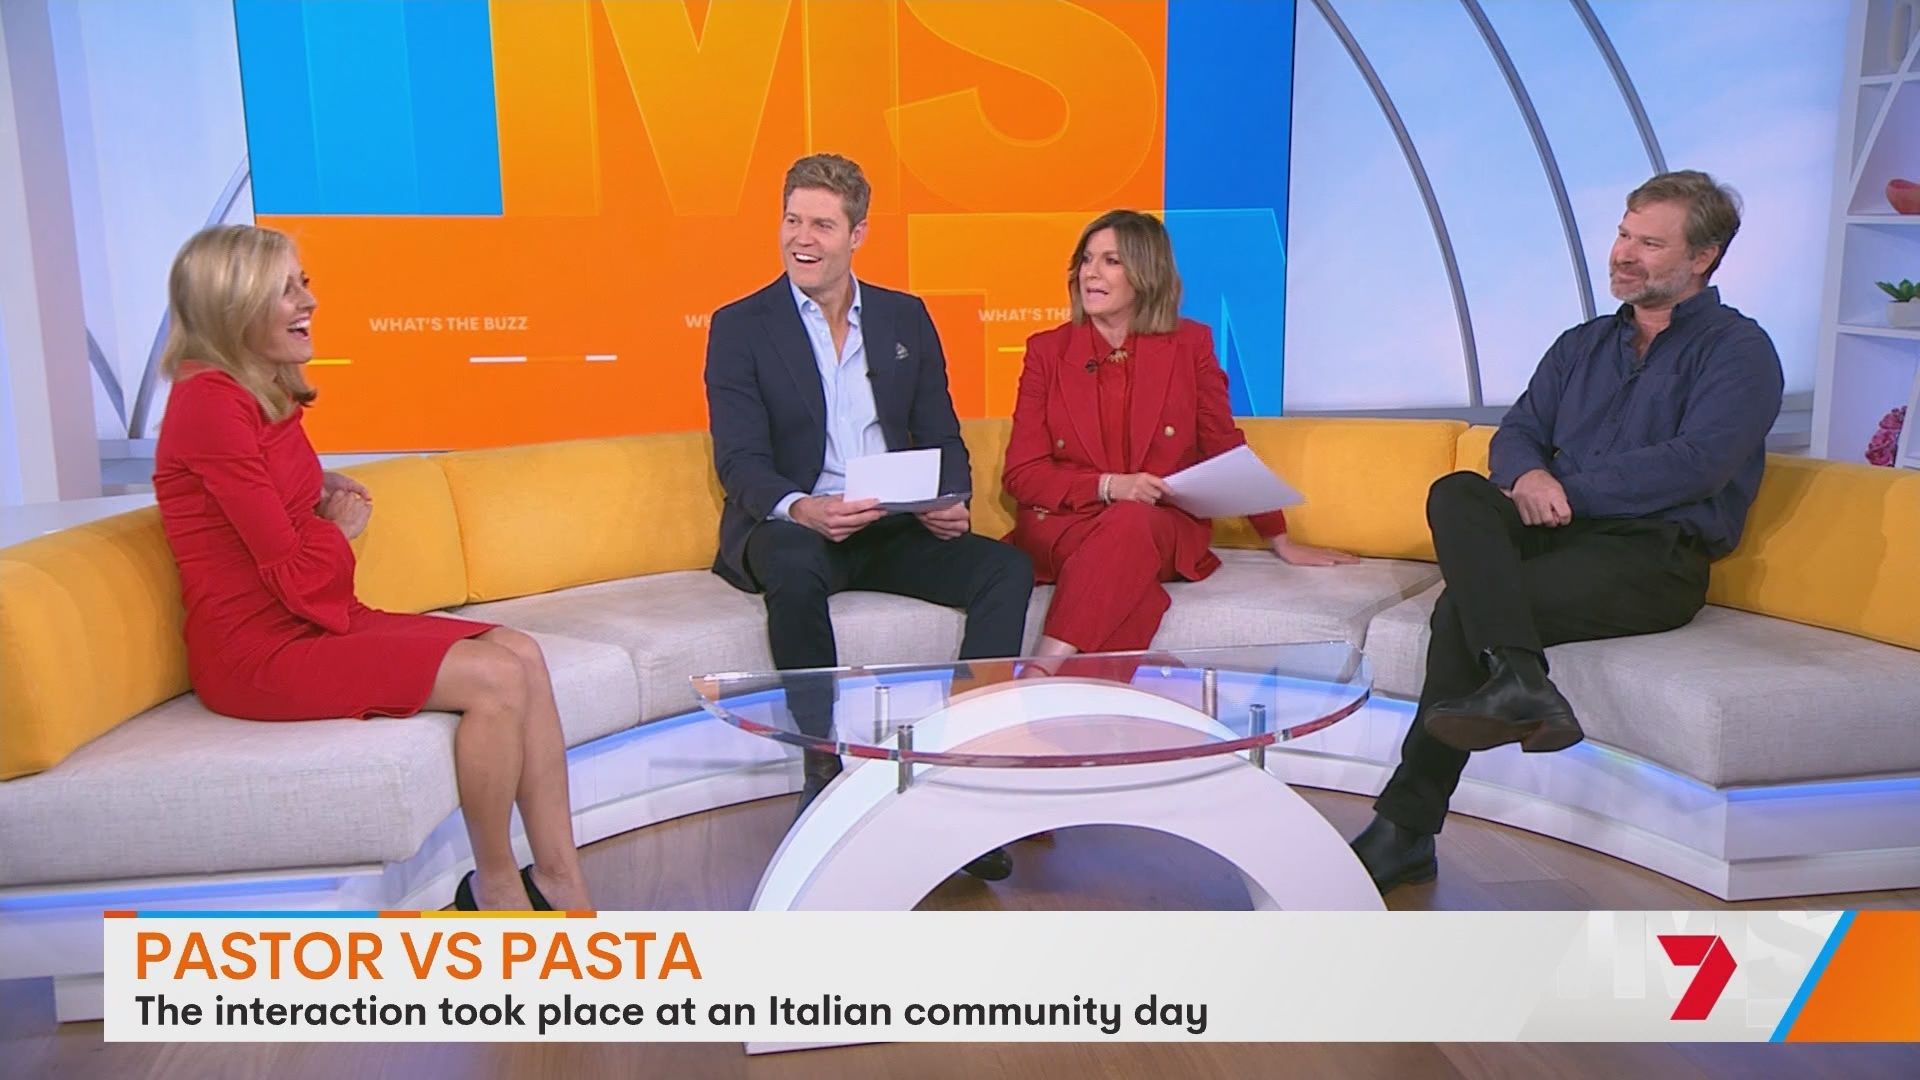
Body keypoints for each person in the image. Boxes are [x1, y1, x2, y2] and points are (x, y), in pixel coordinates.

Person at [1350, 171, 1785, 892]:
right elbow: (1518, 431)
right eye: (1623, 234)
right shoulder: (1581, 345)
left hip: (1652, 559)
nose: (1624, 254)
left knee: (1462, 609)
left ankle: (1405, 830)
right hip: (1554, 534)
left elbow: (1698, 463)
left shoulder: (1739, 351)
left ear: (1702, 258)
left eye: (1650, 244)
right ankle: (1521, 680)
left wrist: (1566, 492)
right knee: (1458, 492)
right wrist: (1527, 475)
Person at [151, 225, 591, 912]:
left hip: (305, 623)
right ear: (233, 307)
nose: (309, 302)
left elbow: (254, 502)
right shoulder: (211, 403)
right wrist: (340, 531)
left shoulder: (254, 387)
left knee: (523, 653)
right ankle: (498, 888)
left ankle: (564, 884)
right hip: (256, 651)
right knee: (497, 678)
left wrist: (312, 485)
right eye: (286, 290)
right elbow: (295, 572)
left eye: (304, 283)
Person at [703, 154, 1034, 881]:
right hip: (795, 525)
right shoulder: (740, 326)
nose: (803, 238)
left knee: (1005, 569)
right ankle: (822, 767)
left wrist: (949, 499)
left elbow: (941, 433)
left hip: (890, 525)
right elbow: (740, 460)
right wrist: (804, 508)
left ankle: (959, 771)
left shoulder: (903, 317)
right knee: (792, 565)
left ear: (858, 234)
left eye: (822, 224)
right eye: (792, 220)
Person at [1001, 210, 1356, 666]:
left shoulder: (1190, 345)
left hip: (1157, 526)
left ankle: (1041, 667)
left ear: (1145, 273)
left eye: (1111, 261)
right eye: (1086, 259)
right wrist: (1108, 485)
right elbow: (1023, 474)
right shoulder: (1046, 352)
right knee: (1129, 578)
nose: (1091, 272)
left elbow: (1223, 445)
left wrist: (1278, 537)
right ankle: (1076, 693)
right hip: (1066, 524)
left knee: (1132, 523)